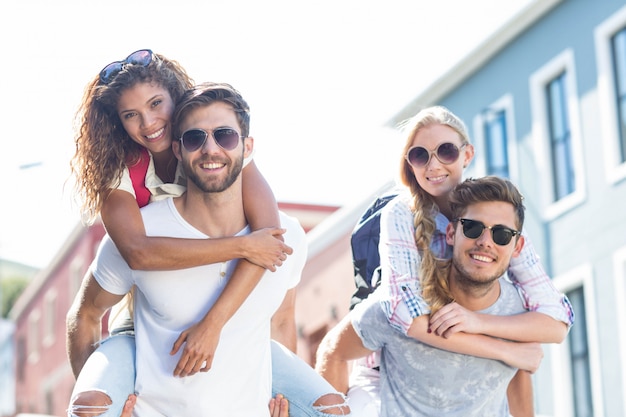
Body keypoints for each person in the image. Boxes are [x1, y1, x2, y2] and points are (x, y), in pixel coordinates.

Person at [67, 51, 348, 416]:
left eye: (156, 104)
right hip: (143, 315)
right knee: (94, 405)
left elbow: (269, 241)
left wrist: (213, 325)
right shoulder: (119, 172)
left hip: (233, 332)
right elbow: (138, 252)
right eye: (131, 115)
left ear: (176, 98)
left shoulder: (216, 143)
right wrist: (239, 246)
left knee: (329, 408)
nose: (149, 122)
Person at [316, 106, 573, 417]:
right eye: (420, 155)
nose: (434, 165)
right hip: (388, 368)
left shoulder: (495, 218)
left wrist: (478, 321)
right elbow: (405, 317)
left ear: (468, 154)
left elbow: (556, 319)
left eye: (446, 151)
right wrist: (507, 350)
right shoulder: (400, 214)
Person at [335, 176, 545, 416]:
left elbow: (518, 375)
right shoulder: (405, 302)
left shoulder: (518, 310)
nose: (485, 242)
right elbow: (334, 353)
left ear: (517, 247)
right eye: (472, 227)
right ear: (451, 233)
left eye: (502, 234)